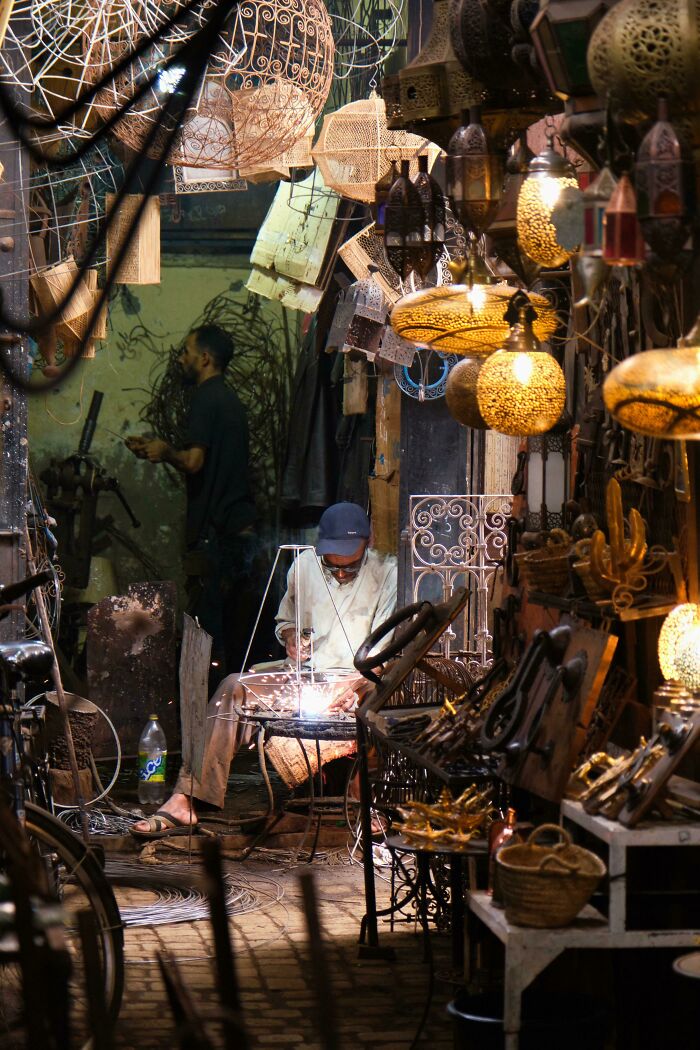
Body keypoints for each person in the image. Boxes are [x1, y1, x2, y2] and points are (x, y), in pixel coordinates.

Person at [132, 502, 397, 838]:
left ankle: (365, 803)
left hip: (359, 681)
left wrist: (354, 681)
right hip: (305, 678)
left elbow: (386, 647)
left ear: (369, 541)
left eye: (350, 568)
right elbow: (286, 621)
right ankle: (187, 797)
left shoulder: (389, 572)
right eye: (333, 567)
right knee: (233, 687)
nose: (341, 574)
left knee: (380, 696)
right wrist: (291, 639)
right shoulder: (304, 565)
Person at [126, 324, 256, 676]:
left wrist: (166, 451)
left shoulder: (205, 398)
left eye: (186, 352)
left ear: (205, 358)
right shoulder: (229, 400)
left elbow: (194, 461)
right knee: (235, 638)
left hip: (217, 538)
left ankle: (206, 721)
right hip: (240, 533)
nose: (181, 359)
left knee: (206, 640)